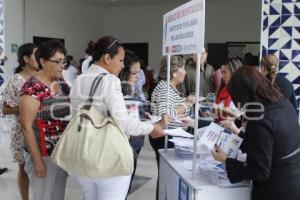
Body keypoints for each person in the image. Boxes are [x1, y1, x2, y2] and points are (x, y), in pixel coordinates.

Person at [69, 36, 167, 200]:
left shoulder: (79, 79)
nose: (123, 65)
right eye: (120, 60)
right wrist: (152, 128)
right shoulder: (110, 80)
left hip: (82, 155)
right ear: (107, 58)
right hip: (107, 158)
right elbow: (124, 122)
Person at [212, 66, 300, 200]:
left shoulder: (260, 118)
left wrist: (225, 161)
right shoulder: (283, 104)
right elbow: (264, 144)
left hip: (276, 190)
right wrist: (238, 136)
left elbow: (259, 171)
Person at [20, 40, 70, 200]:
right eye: (57, 61)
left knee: (57, 196)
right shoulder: (32, 87)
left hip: (59, 153)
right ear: (42, 61)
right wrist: (37, 160)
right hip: (43, 154)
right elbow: (26, 126)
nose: (62, 65)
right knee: (43, 196)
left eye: (64, 61)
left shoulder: (58, 83)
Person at [150, 55, 194, 200]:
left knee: (167, 175)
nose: (185, 72)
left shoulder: (170, 87)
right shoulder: (165, 89)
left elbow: (172, 107)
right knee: (166, 175)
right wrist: (185, 105)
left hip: (171, 136)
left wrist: (184, 102)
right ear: (174, 72)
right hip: (166, 138)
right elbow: (166, 115)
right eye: (183, 69)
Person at [1, 43, 38, 200]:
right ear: (26, 58)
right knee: (23, 169)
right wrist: (27, 106)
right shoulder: (16, 80)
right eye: (37, 55)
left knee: (40, 168)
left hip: (42, 130)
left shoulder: (42, 77)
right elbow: (5, 109)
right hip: (22, 131)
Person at [119, 49, 146, 196]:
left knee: (128, 183)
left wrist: (143, 113)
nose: (137, 77)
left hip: (136, 141)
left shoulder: (134, 88)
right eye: (134, 73)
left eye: (139, 73)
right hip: (123, 146)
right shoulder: (116, 92)